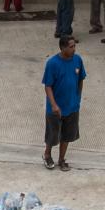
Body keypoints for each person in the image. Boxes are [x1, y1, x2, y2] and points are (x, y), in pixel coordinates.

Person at [41, 36, 86, 170]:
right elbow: (48, 86)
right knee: (52, 136)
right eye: (71, 47)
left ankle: (61, 159)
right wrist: (54, 105)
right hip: (56, 109)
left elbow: (81, 79)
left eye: (74, 46)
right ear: (63, 48)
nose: (74, 49)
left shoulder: (78, 60)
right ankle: (47, 155)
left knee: (67, 135)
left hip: (72, 106)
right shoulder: (52, 63)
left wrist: (78, 98)